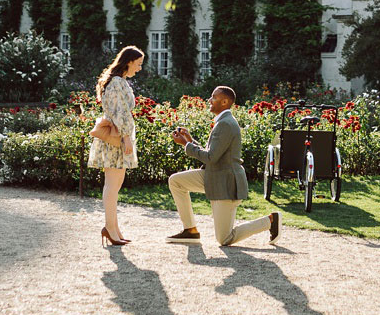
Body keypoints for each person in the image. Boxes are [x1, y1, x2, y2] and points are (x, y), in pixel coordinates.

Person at [166, 86, 280, 246]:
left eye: (213, 97)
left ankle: (270, 221)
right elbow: (213, 154)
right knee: (176, 181)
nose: (209, 100)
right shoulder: (224, 122)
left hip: (225, 183)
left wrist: (185, 144)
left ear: (225, 102)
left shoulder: (225, 124)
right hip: (215, 175)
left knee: (224, 238)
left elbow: (211, 157)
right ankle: (190, 230)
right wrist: (190, 140)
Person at [90, 45, 144, 246]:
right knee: (112, 186)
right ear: (128, 61)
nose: (139, 68)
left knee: (113, 186)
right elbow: (120, 112)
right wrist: (126, 137)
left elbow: (118, 111)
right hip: (118, 139)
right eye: (137, 64)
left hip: (118, 137)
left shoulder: (114, 82)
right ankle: (110, 229)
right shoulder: (117, 83)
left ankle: (113, 228)